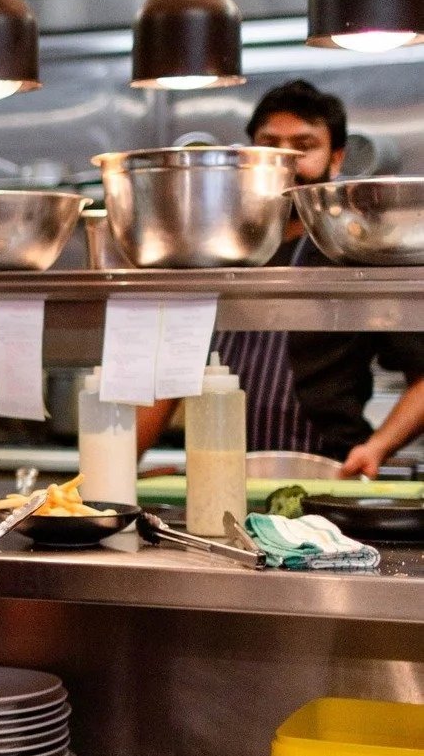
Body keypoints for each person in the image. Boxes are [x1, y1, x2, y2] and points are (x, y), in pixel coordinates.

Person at [137, 80, 424, 475]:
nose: (286, 160)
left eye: (304, 147)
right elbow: (168, 369)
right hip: (217, 476)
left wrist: (377, 447)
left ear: (336, 159)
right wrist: (111, 476)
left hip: (327, 479)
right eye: (269, 144)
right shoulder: (215, 251)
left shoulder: (354, 257)